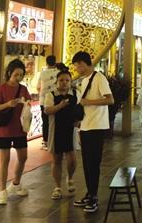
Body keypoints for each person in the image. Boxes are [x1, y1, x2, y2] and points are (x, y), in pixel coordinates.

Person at [71, 51, 114, 214]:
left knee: (93, 163)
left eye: (77, 66)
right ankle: (89, 194)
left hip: (96, 126)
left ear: (83, 64)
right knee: (87, 163)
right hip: (86, 126)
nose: (76, 69)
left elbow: (110, 99)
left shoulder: (99, 78)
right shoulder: (84, 80)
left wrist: (88, 102)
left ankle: (94, 197)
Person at [0, 59, 31, 205]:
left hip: (20, 129)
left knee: (23, 157)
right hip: (4, 129)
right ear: (9, 73)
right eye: (16, 75)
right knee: (5, 160)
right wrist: (8, 104)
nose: (18, 78)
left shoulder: (23, 89)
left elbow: (28, 102)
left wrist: (26, 104)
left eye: (21, 75)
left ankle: (16, 183)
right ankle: (2, 191)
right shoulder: (1, 88)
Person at [43, 69, 78, 200]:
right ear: (56, 82)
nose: (64, 83)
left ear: (70, 82)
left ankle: (70, 178)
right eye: (61, 80)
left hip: (71, 130)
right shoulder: (51, 95)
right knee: (56, 159)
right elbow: (47, 110)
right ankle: (57, 187)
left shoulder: (75, 94)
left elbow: (81, 109)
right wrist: (60, 106)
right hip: (56, 129)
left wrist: (79, 120)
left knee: (72, 158)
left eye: (67, 80)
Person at [36, 55, 58, 150]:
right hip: (55, 100)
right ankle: (54, 140)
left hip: (43, 100)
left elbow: (38, 87)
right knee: (55, 121)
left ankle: (46, 141)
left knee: (45, 121)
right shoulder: (58, 73)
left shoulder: (42, 73)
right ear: (55, 62)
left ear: (46, 63)